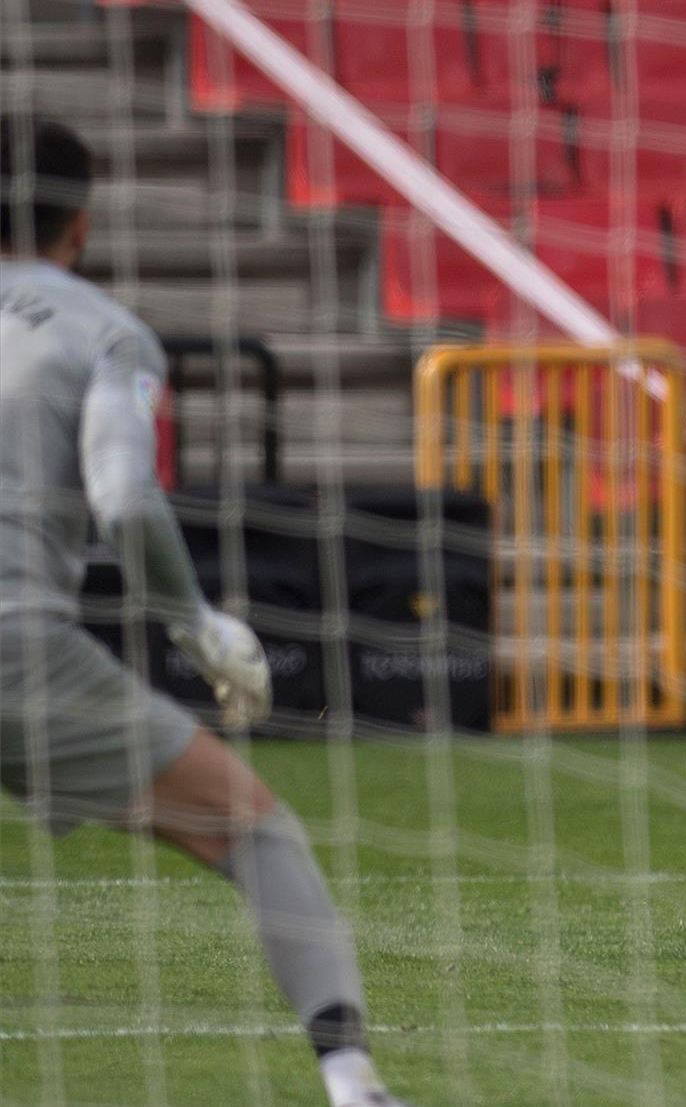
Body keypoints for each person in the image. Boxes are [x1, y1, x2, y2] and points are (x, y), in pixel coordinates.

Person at [0, 119, 410, 1107]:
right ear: (81, 225)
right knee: (256, 833)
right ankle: (353, 1084)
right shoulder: (104, 332)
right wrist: (196, 624)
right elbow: (129, 500)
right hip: (19, 650)